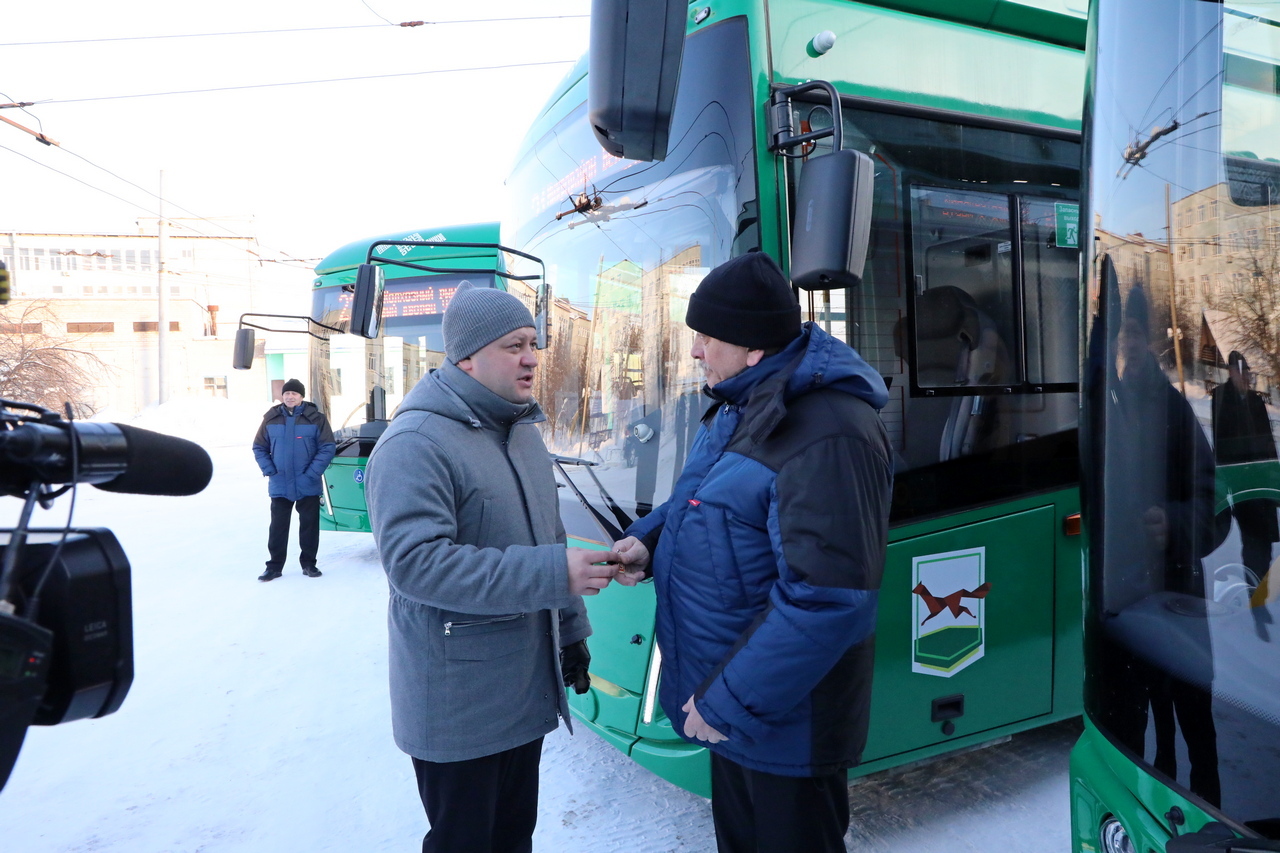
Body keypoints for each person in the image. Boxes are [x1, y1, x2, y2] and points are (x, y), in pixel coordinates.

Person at [612, 252, 893, 853]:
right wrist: (651, 539)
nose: (695, 352)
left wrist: (727, 703)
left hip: (784, 721)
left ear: (755, 349)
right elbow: (709, 502)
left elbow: (827, 600)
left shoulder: (829, 432)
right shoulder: (747, 403)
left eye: (706, 338)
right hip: (736, 707)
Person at [365, 281, 619, 853]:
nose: (531, 357)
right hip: (459, 704)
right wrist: (557, 574)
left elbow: (547, 536)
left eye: (533, 343)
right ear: (467, 356)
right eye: (513, 346)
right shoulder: (415, 442)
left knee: (512, 838)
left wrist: (572, 632)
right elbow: (417, 565)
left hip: (521, 692)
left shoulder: (523, 431)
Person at [252, 378, 335, 581]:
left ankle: (309, 564)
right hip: (280, 482)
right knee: (278, 527)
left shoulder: (316, 418)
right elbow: (259, 447)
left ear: (301, 397)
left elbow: (327, 447)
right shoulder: (271, 419)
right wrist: (269, 469)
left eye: (294, 394)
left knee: (309, 526)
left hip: (308, 482)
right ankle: (274, 567)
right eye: (287, 393)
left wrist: (312, 473)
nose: (290, 397)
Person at [1212, 350, 1279, 581]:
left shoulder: (1256, 400)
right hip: (1241, 481)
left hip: (1261, 480)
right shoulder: (1221, 396)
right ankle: (1255, 588)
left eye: (1246, 371)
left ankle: (1264, 586)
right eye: (1238, 371)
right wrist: (1224, 484)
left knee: (1266, 539)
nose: (1244, 376)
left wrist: (1274, 476)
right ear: (1230, 372)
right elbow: (1222, 443)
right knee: (1252, 538)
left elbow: (1268, 441)